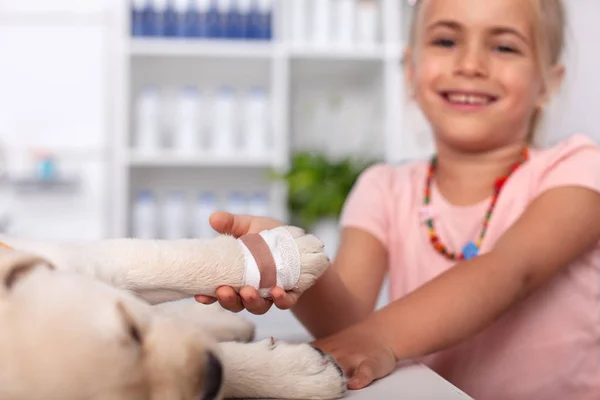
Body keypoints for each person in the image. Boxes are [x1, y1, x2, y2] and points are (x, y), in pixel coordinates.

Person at [196, 0, 600, 399]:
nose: (471, 65)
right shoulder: (383, 188)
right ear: (410, 70)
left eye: (504, 46)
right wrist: (290, 259)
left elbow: (513, 269)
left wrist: (378, 337)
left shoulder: (578, 169)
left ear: (549, 82)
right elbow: (348, 323)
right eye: (445, 41)